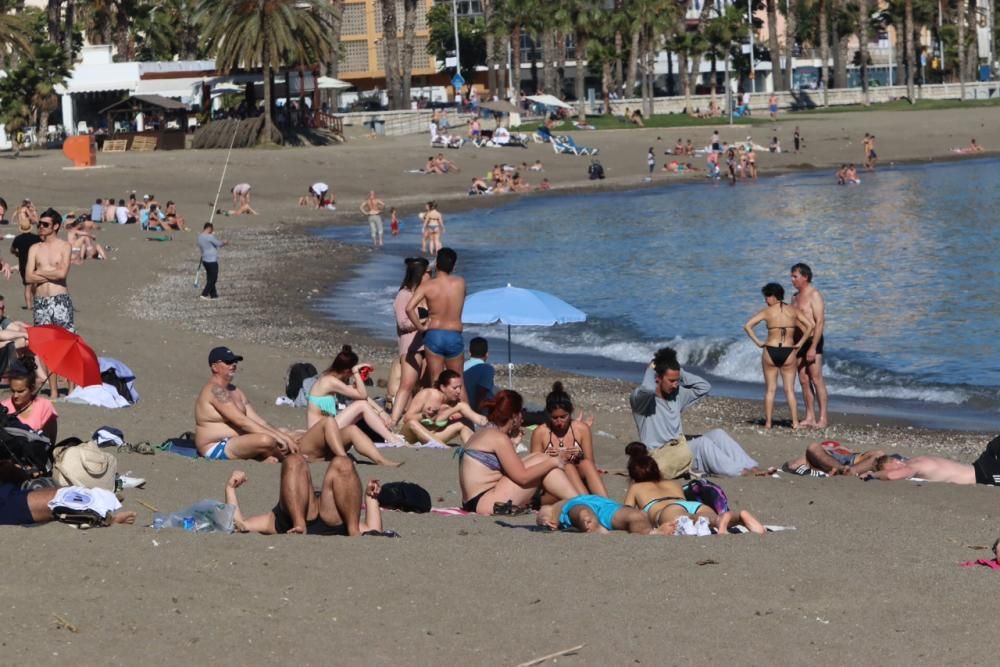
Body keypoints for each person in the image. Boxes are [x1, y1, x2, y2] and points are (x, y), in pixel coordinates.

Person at [194, 346, 348, 462]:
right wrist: (277, 437)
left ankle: (299, 451)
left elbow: (258, 420)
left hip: (240, 439)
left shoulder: (236, 391)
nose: (233, 365)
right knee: (267, 440)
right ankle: (298, 457)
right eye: (228, 362)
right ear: (214, 367)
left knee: (290, 433)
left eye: (235, 361)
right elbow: (242, 421)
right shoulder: (214, 391)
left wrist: (282, 435)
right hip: (216, 445)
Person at [630, 347, 764, 477]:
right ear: (657, 378)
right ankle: (739, 471)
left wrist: (679, 373)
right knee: (702, 443)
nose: (675, 384)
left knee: (718, 434)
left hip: (679, 447)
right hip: (659, 456)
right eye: (671, 381)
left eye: (677, 380)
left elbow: (704, 387)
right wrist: (650, 370)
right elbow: (647, 389)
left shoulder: (677, 395)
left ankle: (751, 466)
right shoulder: (642, 401)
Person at [457, 390, 577, 515]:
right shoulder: (499, 438)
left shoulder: (484, 432)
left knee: (538, 457)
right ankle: (579, 501)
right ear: (514, 417)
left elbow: (503, 470)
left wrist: (513, 444)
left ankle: (577, 500)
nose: (522, 417)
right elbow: (523, 477)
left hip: (474, 501)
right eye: (520, 412)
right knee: (542, 460)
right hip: (485, 502)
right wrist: (555, 461)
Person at [623, 442, 764, 535]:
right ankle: (735, 517)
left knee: (689, 520)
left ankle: (720, 522)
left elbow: (628, 512)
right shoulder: (672, 482)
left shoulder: (636, 487)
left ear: (633, 476)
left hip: (665, 509)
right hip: (692, 505)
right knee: (712, 519)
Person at [224, 458, 382, 536]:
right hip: (298, 519)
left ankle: (354, 532)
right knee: (294, 460)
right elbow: (240, 525)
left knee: (343, 462)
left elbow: (373, 532)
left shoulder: (275, 519)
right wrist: (230, 488)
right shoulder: (276, 519)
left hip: (331, 517)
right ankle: (299, 524)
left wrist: (370, 497)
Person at [305, 345, 404, 466]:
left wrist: (380, 411)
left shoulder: (331, 380)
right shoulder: (329, 381)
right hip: (318, 433)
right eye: (351, 373)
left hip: (326, 431)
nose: (351, 376)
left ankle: (389, 440)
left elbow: (360, 395)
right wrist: (357, 372)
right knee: (361, 405)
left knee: (361, 408)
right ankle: (391, 439)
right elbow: (362, 395)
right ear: (347, 371)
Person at [743, 282, 814, 429]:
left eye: (767, 296)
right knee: (789, 390)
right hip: (789, 351)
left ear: (774, 296)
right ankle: (795, 423)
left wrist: (758, 342)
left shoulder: (767, 312)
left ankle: (768, 423)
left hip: (770, 350)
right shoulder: (792, 310)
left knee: (770, 389)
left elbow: (747, 325)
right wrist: (800, 343)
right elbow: (810, 326)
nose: (765, 300)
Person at [405, 247, 466, 400]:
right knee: (459, 383)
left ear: (436, 264)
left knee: (436, 380)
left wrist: (420, 327)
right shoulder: (460, 283)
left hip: (434, 334)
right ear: (454, 266)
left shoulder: (427, 286)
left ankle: (436, 418)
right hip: (454, 333)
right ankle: (467, 421)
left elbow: (409, 308)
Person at [26, 208, 73, 399]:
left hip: (59, 299)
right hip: (41, 301)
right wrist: (50, 273)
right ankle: (53, 390)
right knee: (47, 347)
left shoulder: (64, 246)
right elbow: (29, 276)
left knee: (66, 344)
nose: (41, 227)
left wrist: (41, 273)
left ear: (55, 226)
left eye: (45, 224)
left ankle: (71, 388)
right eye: (40, 224)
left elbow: (62, 274)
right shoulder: (34, 248)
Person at [530, 382, 607, 498]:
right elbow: (534, 472)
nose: (559, 422)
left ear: (570, 413)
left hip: (578, 476)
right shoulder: (540, 433)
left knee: (586, 464)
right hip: (552, 483)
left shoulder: (581, 429)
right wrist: (552, 459)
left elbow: (590, 462)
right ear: (548, 414)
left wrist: (579, 455)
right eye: (554, 418)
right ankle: (587, 503)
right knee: (568, 466)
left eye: (563, 417)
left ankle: (607, 504)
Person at [866, 435, 1000, 486]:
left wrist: (870, 472)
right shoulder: (913, 467)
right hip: (983, 472)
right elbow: (891, 475)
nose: (897, 463)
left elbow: (888, 469)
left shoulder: (913, 463)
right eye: (894, 465)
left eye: (893, 461)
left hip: (984, 468)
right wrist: (872, 475)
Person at [389, 257, 429, 426]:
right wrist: (423, 324)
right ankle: (393, 420)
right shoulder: (404, 295)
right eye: (428, 272)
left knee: (420, 385)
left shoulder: (420, 294)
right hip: (411, 346)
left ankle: (412, 418)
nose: (430, 276)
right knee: (407, 384)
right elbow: (402, 323)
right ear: (419, 274)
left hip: (424, 346)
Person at [402, 370, 485, 446]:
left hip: (433, 436)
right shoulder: (427, 394)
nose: (459, 391)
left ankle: (473, 448)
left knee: (465, 422)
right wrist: (423, 415)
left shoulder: (458, 404)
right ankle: (443, 447)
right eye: (455, 388)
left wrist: (493, 422)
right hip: (412, 437)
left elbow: (477, 418)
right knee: (412, 423)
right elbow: (406, 418)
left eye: (460, 387)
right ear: (442, 387)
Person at [791, 263, 829, 428]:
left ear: (805, 277)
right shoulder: (794, 297)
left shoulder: (814, 295)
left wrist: (813, 347)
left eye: (795, 276)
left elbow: (820, 322)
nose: (792, 280)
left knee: (816, 378)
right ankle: (809, 416)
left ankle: (823, 418)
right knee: (803, 379)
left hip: (813, 340)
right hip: (798, 342)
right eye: (792, 276)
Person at [536, 495, 657, 535]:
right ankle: (590, 523)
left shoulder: (556, 504)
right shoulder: (556, 506)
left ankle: (648, 531)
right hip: (576, 506)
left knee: (635, 516)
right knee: (582, 512)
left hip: (605, 505)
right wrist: (545, 519)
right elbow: (544, 512)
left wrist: (545, 518)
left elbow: (544, 511)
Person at [1, 358, 57, 443]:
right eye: (13, 391)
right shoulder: (3, 407)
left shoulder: (44, 406)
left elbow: (51, 440)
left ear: (32, 388)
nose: (15, 395)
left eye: (21, 391)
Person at [783, 441, 885, 477]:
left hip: (853, 461)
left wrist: (843, 449)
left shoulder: (847, 451)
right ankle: (843, 469)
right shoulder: (816, 451)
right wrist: (830, 448)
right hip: (829, 461)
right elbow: (791, 465)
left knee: (879, 454)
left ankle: (849, 470)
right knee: (813, 446)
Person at [10, 217, 41, 310]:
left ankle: (28, 306)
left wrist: (17, 254)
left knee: (27, 286)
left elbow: (12, 249)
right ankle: (37, 304)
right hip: (35, 263)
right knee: (35, 285)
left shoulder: (18, 239)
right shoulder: (36, 238)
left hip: (23, 264)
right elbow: (41, 248)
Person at [463, 337, 495, 414]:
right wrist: (477, 412)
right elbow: (481, 391)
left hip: (464, 404)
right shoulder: (487, 369)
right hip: (478, 408)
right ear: (487, 354)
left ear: (469, 353)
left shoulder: (463, 365)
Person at [198, 223, 225, 300]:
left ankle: (214, 295)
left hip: (205, 259)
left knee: (210, 277)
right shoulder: (209, 237)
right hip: (211, 260)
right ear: (209, 228)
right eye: (212, 229)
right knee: (213, 278)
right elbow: (219, 244)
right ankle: (204, 294)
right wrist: (225, 242)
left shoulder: (200, 237)